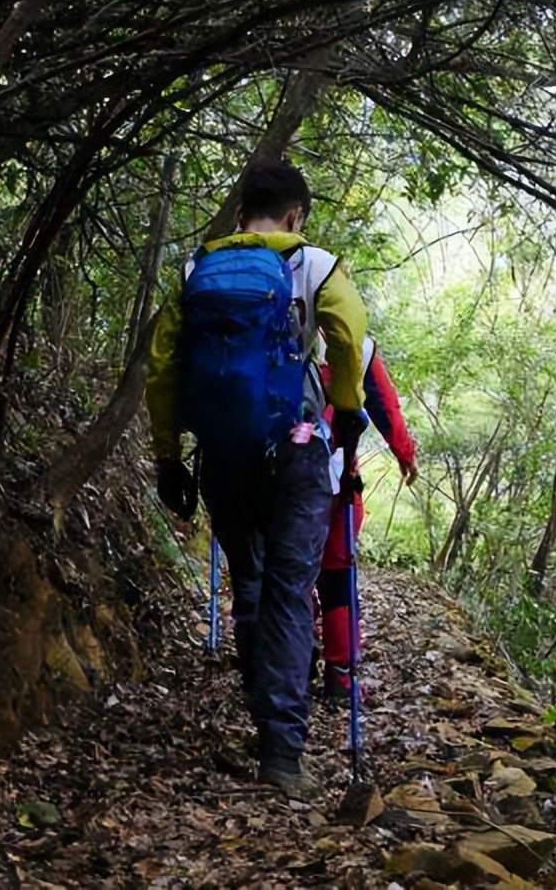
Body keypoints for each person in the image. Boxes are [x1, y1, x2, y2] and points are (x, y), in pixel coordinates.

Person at [145, 161, 368, 799]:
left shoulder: (195, 272)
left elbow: (163, 367)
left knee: (250, 586)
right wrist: (347, 414)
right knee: (290, 592)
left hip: (222, 454)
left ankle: (264, 721)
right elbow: (350, 340)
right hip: (297, 450)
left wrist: (167, 457)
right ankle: (282, 752)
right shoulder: (315, 265)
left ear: (243, 211)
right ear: (296, 215)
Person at [315, 335, 418, 705]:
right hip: (337, 479)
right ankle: (339, 676)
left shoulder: (268, 323)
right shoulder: (357, 343)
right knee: (337, 575)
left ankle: (295, 648)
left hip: (277, 473)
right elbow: (385, 406)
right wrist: (405, 455)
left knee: (286, 569)